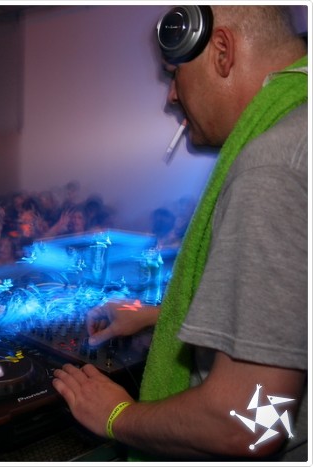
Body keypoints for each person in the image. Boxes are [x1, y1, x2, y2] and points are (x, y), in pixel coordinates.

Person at [52, 6, 307, 461]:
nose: (171, 96)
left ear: (222, 52)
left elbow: (253, 424)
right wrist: (155, 315)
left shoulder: (271, 167)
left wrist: (115, 416)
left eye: (175, 74)